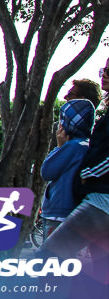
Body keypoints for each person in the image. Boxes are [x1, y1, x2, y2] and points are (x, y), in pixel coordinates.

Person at [37, 60, 109, 283]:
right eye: (103, 69)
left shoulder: (75, 146)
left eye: (108, 70)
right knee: (99, 274)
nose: (103, 74)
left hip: (101, 201)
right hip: (99, 200)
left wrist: (87, 174)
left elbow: (48, 171)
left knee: (49, 260)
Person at [39, 98, 94, 239]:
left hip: (59, 212)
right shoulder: (88, 145)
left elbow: (47, 171)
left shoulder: (73, 147)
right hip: (76, 210)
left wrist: (59, 147)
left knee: (54, 258)